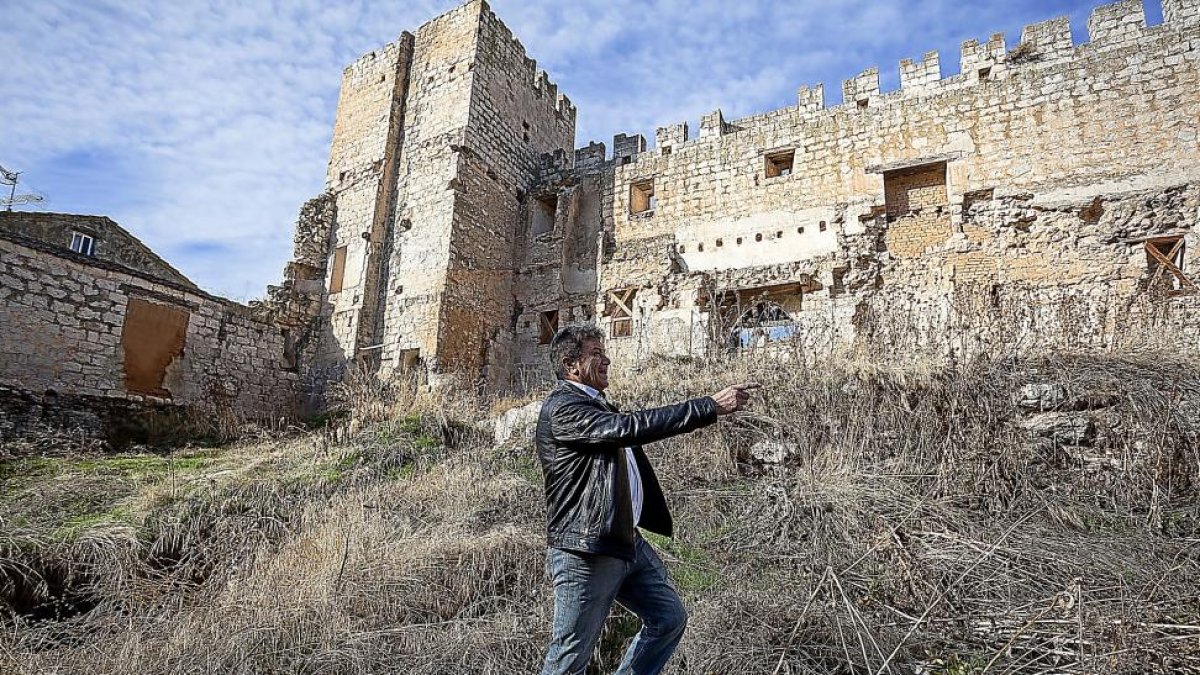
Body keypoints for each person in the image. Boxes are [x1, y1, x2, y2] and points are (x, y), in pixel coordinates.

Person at [536, 324, 759, 674]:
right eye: (596, 353)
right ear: (571, 366)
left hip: (626, 540)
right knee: (568, 659)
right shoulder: (564, 408)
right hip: (587, 548)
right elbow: (629, 428)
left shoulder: (598, 407)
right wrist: (708, 406)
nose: (607, 359)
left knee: (668, 619)